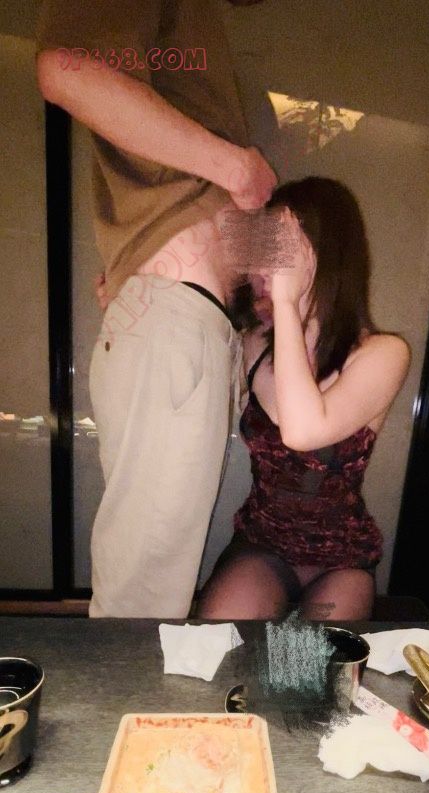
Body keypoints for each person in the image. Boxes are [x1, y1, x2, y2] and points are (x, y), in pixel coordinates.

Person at [35, 0, 277, 618]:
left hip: (190, 320)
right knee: (141, 600)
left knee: (148, 587)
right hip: (178, 318)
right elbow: (65, 70)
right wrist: (235, 167)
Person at [198, 177, 411, 622]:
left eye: (277, 247)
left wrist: (287, 302)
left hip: (341, 559)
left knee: (305, 664)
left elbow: (303, 430)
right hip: (263, 545)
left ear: (323, 251)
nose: (260, 266)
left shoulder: (383, 354)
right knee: (222, 646)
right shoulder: (255, 342)